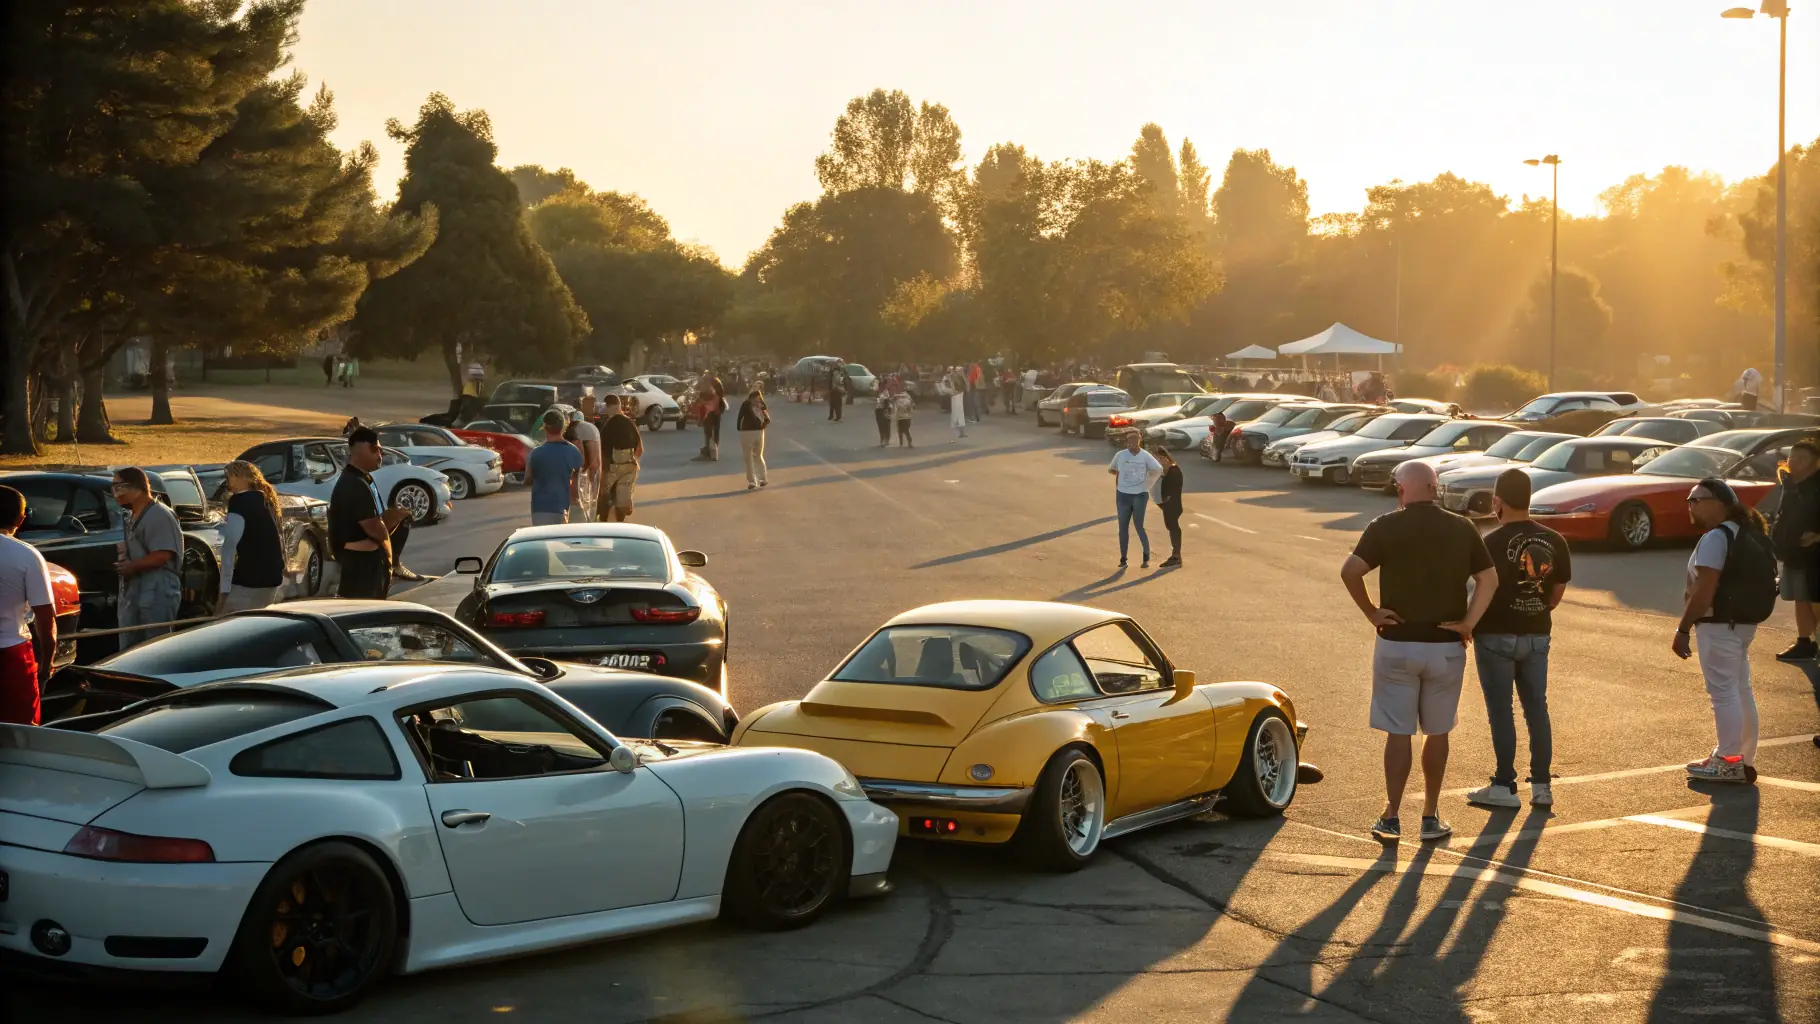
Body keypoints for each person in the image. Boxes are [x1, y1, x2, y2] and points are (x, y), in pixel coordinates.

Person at [1340, 461, 1497, 842]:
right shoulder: (1463, 527)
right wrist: (1468, 623)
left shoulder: (1385, 526)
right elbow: (1488, 579)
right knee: (1438, 730)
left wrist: (1372, 612)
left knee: (1398, 731)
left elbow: (1350, 571)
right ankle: (1430, 815)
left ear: (1401, 490)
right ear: (1435, 488)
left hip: (1397, 643)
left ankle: (1392, 816)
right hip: (1445, 646)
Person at [1466, 469, 1570, 809]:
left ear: (1498, 501)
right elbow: (1555, 595)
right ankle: (1541, 785)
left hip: (1496, 633)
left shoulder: (1491, 541)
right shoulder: (1554, 540)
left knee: (1501, 711)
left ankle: (1503, 784)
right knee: (1536, 709)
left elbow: (1480, 587)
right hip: (1537, 632)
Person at [1675, 477, 1774, 783]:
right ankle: (1740, 758)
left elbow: (1705, 588)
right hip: (1740, 624)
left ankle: (1728, 760)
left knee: (1723, 692)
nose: (1690, 505)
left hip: (1719, 625)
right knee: (1739, 689)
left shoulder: (1717, 537)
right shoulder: (1745, 532)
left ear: (1719, 503)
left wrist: (1683, 628)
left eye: (1696, 499)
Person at [111, 467, 185, 649]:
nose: (115, 492)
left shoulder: (159, 515)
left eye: (117, 486)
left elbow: (162, 554)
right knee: (131, 650)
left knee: (154, 649)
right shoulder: (132, 516)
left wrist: (132, 566)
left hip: (157, 591)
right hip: (136, 592)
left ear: (135, 487)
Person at [330, 427, 408, 600]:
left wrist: (396, 517)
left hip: (368, 566)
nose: (380, 454)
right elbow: (375, 529)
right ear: (361, 449)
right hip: (361, 569)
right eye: (376, 449)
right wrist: (388, 560)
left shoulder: (364, 479)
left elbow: (378, 520)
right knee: (364, 617)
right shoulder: (354, 484)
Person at [0, 485, 53, 725]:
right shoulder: (26, 555)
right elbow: (45, 616)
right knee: (22, 731)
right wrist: (47, 662)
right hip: (12, 653)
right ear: (21, 519)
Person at [1771, 440, 1820, 661]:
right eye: (1792, 456)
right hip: (1793, 552)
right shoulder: (1790, 483)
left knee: (1815, 599)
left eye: (1801, 458)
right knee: (1801, 598)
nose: (1794, 461)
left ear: (1814, 463)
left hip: (1815, 555)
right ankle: (1804, 643)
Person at [217, 460, 286, 615]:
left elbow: (229, 548)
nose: (227, 482)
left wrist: (224, 590)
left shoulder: (239, 502)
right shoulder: (266, 501)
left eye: (229, 477)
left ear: (237, 478)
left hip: (249, 581)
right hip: (272, 579)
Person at [1109, 432, 1163, 569]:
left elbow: (1158, 469)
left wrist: (1147, 484)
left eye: (1136, 440)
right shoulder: (1120, 455)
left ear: (1140, 441)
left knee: (1139, 525)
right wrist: (1123, 480)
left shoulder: (1145, 456)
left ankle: (1146, 556)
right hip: (1123, 494)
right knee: (1122, 526)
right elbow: (1112, 469)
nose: (1133, 443)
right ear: (1127, 441)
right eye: (1130, 440)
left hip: (1139, 495)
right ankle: (1123, 558)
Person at [524, 410, 581, 526]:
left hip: (540, 508)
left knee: (542, 541)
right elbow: (575, 485)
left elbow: (527, 479)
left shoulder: (535, 453)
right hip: (562, 508)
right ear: (563, 427)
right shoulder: (574, 452)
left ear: (544, 427)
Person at [599, 393, 643, 522]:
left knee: (602, 499)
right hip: (629, 467)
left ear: (608, 407)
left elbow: (604, 454)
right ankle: (620, 522)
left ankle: (604, 522)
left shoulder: (608, 426)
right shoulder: (630, 424)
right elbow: (640, 449)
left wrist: (603, 477)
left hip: (611, 469)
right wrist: (631, 462)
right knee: (623, 504)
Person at [568, 400, 602, 522]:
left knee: (581, 504)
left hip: (584, 471)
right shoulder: (592, 428)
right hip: (596, 470)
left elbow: (586, 457)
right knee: (592, 502)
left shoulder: (574, 429)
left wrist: (582, 470)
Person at [1153, 445, 1185, 568]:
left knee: (1173, 527)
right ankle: (1176, 554)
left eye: (1156, 458)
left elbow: (1175, 488)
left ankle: (1176, 556)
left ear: (1164, 457)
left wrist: (1167, 500)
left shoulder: (1174, 470)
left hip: (1172, 504)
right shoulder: (1164, 471)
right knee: (1171, 527)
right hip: (1167, 504)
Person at [737, 387, 771, 490]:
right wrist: (762, 427)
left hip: (746, 432)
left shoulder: (746, 404)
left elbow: (739, 417)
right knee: (758, 456)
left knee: (748, 457)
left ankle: (752, 481)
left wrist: (739, 428)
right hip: (759, 432)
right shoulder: (761, 404)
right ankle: (763, 478)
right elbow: (768, 419)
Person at [696, 369, 727, 460]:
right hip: (712, 409)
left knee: (710, 431)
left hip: (712, 410)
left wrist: (715, 408)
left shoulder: (714, 383)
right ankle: (711, 452)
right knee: (712, 431)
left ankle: (711, 452)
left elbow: (717, 396)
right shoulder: (712, 382)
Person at [948, 368, 968, 440]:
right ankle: (959, 432)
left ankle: (961, 432)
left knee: (958, 413)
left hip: (958, 395)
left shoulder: (958, 377)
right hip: (956, 396)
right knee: (957, 413)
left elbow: (966, 386)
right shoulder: (951, 377)